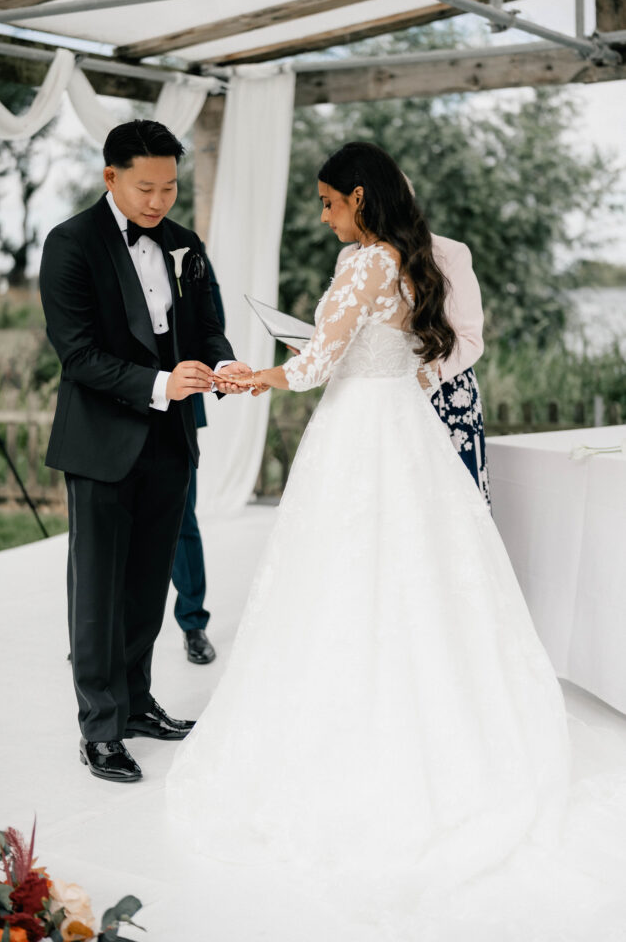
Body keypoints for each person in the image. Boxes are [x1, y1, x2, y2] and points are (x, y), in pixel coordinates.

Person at [164, 142, 626, 938]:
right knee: (421, 578)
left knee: (342, 577)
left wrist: (248, 375)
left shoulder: (362, 264)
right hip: (402, 424)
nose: (322, 215)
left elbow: (313, 367)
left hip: (360, 432)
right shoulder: (414, 261)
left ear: (358, 198)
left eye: (326, 202)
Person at [40, 119, 250, 783]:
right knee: (98, 592)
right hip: (101, 441)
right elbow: (77, 356)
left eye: (169, 188)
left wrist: (224, 364)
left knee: (146, 584)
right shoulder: (70, 244)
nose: (159, 201)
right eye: (145, 187)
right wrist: (159, 382)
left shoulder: (185, 244)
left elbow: (206, 325)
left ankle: (135, 704)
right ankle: (98, 729)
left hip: (172, 436)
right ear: (110, 178)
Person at [337, 225, 491, 505]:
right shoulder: (349, 256)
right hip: (375, 398)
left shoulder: (448, 253)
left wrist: (424, 377)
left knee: (449, 503)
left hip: (442, 393)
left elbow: (469, 339)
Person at [170, 256, 224, 665]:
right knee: (110, 526)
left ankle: (193, 624)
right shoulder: (92, 242)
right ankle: (100, 630)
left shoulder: (188, 249)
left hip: (181, 405)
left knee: (181, 518)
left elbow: (211, 321)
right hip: (114, 405)